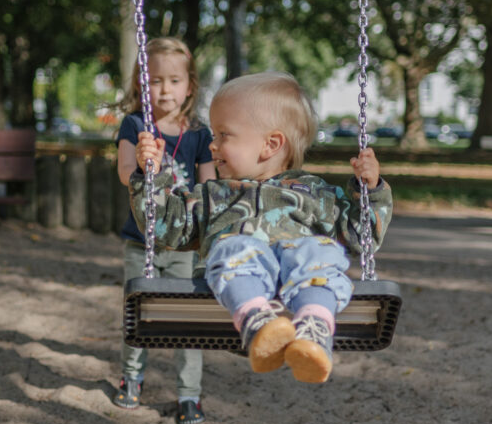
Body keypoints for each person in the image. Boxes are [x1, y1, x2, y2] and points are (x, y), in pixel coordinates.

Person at [130, 71, 392, 384]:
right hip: (235, 295)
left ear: (270, 144)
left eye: (223, 135)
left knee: (318, 250)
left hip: (302, 291)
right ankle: (258, 322)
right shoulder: (211, 196)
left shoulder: (317, 195)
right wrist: (151, 178)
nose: (212, 146)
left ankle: (313, 329)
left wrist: (371, 190)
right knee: (232, 246)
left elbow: (362, 237)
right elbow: (162, 229)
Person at [113, 37, 216, 424]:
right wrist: (142, 161)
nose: (165, 89)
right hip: (143, 243)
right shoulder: (136, 125)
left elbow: (208, 187)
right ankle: (133, 376)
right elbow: (125, 174)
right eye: (155, 80)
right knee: (138, 314)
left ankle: (189, 394)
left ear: (189, 85)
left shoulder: (199, 135)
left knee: (189, 322)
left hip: (185, 245)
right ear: (142, 83)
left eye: (174, 80)